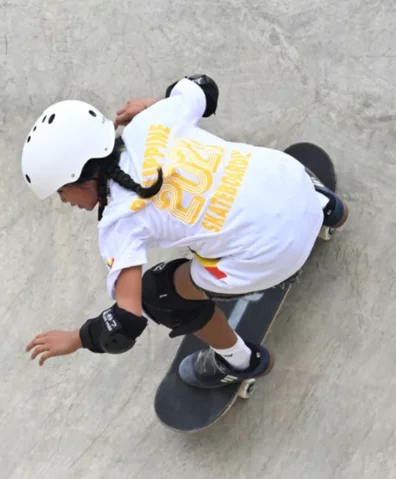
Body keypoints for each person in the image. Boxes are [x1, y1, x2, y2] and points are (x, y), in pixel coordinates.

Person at [22, 74, 348, 389]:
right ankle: (328, 208)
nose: (65, 201)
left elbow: (123, 325)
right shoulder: (151, 122)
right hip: (296, 182)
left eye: (61, 192)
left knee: (159, 294)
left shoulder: (118, 223)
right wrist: (158, 104)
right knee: (238, 173)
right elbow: (204, 88)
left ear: (80, 178)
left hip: (275, 255)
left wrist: (77, 339)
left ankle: (238, 362)